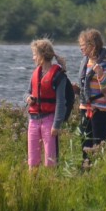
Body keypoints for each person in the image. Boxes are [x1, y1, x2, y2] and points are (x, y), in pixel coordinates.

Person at [26, 38, 69, 168]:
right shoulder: (35, 73)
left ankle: (51, 183)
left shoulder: (58, 76)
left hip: (49, 121)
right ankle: (32, 184)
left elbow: (61, 102)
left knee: (50, 159)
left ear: (42, 55)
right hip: (33, 120)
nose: (33, 58)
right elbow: (28, 92)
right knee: (32, 160)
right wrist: (28, 98)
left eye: (35, 54)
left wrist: (56, 125)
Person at [75, 28, 106, 167]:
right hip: (85, 109)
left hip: (99, 111)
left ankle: (100, 169)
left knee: (99, 142)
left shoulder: (104, 65)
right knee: (85, 142)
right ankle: (86, 169)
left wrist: (100, 74)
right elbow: (87, 90)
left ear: (93, 46)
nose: (81, 49)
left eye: (83, 46)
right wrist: (77, 90)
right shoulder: (85, 64)